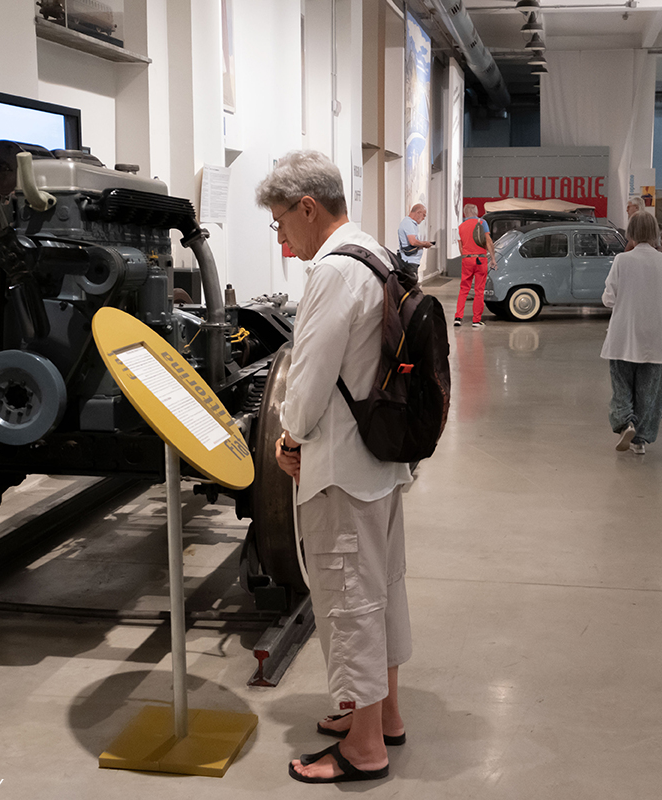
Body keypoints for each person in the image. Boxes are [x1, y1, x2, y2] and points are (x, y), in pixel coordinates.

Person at [255, 150, 413, 783]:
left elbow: (308, 377)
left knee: (349, 597)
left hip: (340, 468)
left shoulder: (330, 271)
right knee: (382, 589)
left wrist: (288, 436)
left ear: (308, 207)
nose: (281, 237)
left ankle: (365, 747)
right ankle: (385, 715)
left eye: (280, 222)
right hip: (380, 460)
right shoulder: (374, 254)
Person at [600, 211, 662, 455]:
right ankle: (640, 439)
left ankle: (626, 422)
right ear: (656, 233)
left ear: (631, 233)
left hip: (623, 335)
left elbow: (609, 298)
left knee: (622, 385)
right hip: (656, 337)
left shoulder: (622, 260)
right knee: (650, 390)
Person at [454, 204, 496, 329]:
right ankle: (476, 321)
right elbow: (488, 241)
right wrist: (493, 258)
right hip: (480, 259)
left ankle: (458, 318)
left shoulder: (460, 226)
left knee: (463, 289)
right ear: (476, 212)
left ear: (465, 213)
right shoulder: (482, 222)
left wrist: (465, 257)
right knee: (479, 291)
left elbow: (460, 246)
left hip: (467, 259)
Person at [396, 203, 432, 280]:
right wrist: (424, 243)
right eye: (423, 215)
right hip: (409, 262)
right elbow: (413, 242)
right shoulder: (408, 223)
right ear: (418, 212)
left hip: (412, 261)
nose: (423, 218)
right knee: (411, 285)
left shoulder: (411, 223)